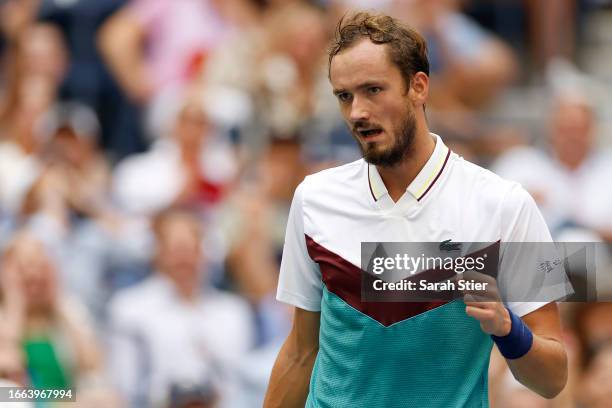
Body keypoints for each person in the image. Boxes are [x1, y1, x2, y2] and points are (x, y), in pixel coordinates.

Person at [264, 11, 568, 407]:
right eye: (345, 96)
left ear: (418, 87)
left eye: (373, 90)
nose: (357, 112)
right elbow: (302, 352)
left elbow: (554, 378)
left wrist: (509, 330)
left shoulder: (505, 205)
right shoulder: (314, 199)